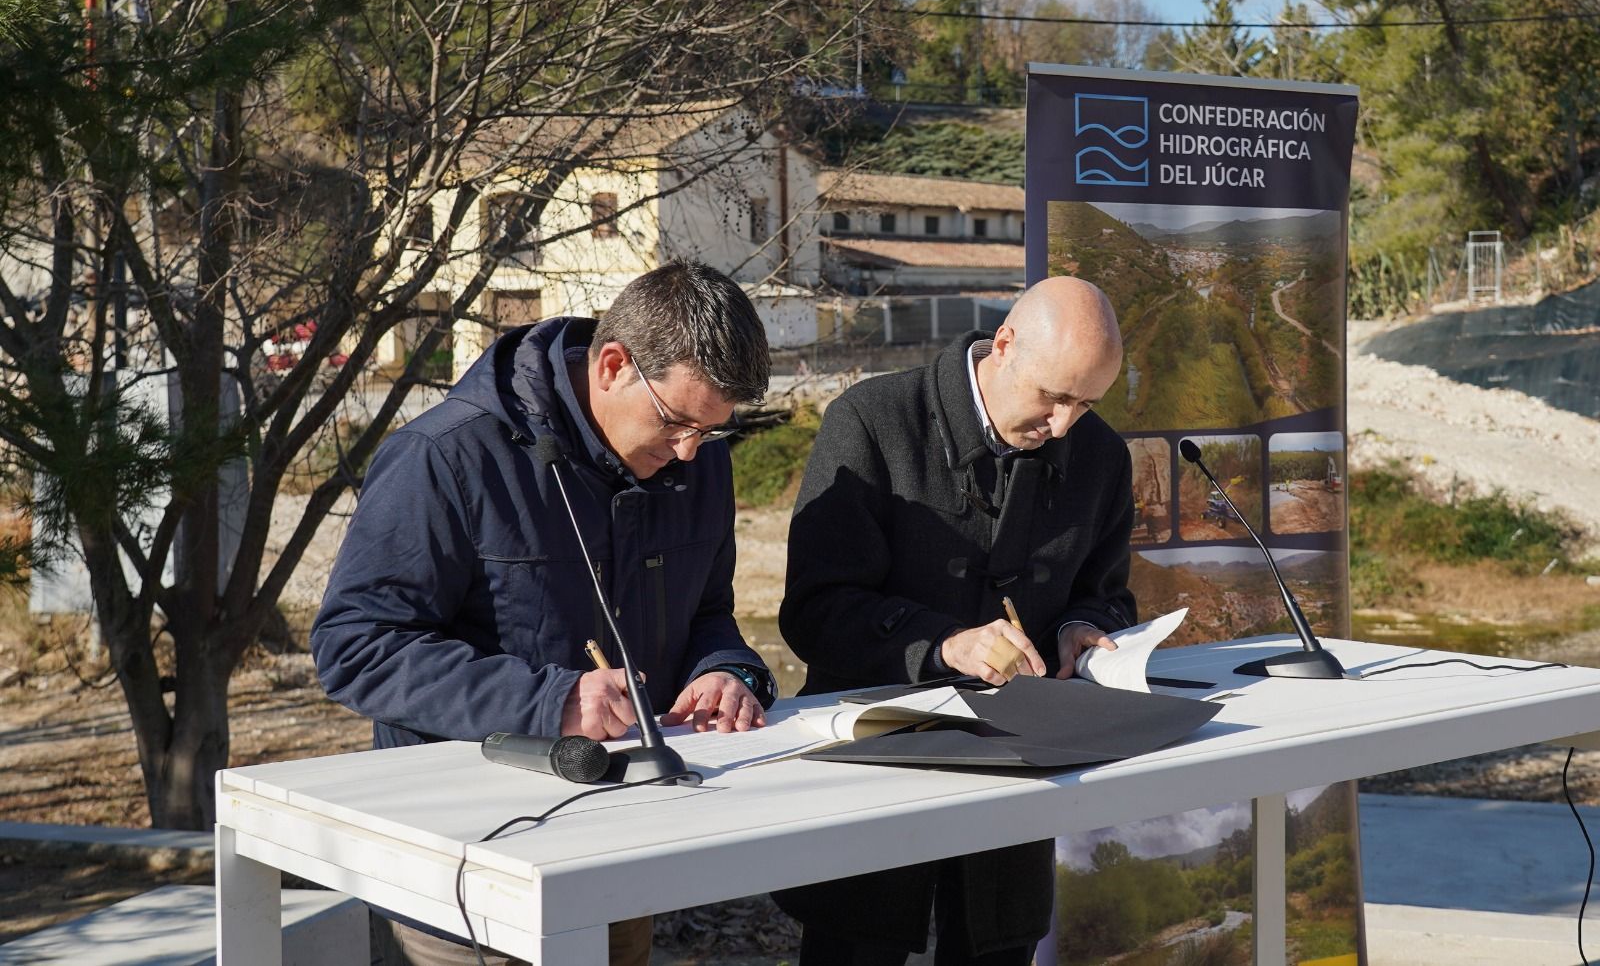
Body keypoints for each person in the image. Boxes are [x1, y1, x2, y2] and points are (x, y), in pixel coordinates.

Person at [312, 261, 779, 966]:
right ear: (614, 365)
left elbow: (708, 610)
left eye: (711, 432)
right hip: (467, 861)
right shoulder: (446, 456)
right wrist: (549, 701)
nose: (689, 453)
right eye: (677, 422)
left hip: (620, 842)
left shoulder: (696, 462)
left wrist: (725, 669)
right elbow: (355, 648)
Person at [774, 276, 1136, 966]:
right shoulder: (873, 420)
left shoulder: (1099, 456)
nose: (1062, 425)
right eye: (1054, 397)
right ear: (1003, 346)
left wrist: (1080, 629)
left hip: (1019, 756)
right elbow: (814, 612)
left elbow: (1108, 594)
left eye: (1085, 404)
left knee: (997, 944)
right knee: (858, 945)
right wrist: (943, 643)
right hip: (877, 749)